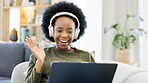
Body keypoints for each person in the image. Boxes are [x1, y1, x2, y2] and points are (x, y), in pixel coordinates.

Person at [25, 1, 95, 83]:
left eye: (69, 32)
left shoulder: (86, 56)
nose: (64, 35)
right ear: (51, 31)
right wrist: (40, 61)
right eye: (59, 30)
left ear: (76, 33)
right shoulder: (39, 55)